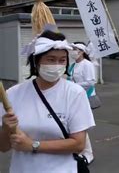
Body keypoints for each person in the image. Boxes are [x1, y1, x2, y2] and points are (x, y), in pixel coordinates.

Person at [0, 30, 95, 172]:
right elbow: (3, 147)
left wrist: (33, 145)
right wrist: (6, 128)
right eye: (51, 59)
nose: (57, 65)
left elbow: (78, 144)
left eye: (62, 60)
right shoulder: (13, 94)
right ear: (36, 61)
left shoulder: (75, 93)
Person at [68, 42, 97, 163]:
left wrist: (75, 86)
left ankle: (88, 153)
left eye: (75, 49)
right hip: (74, 98)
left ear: (81, 51)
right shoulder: (72, 65)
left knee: (81, 125)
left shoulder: (87, 65)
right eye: (73, 49)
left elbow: (91, 82)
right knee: (75, 125)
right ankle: (79, 151)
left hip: (85, 97)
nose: (73, 51)